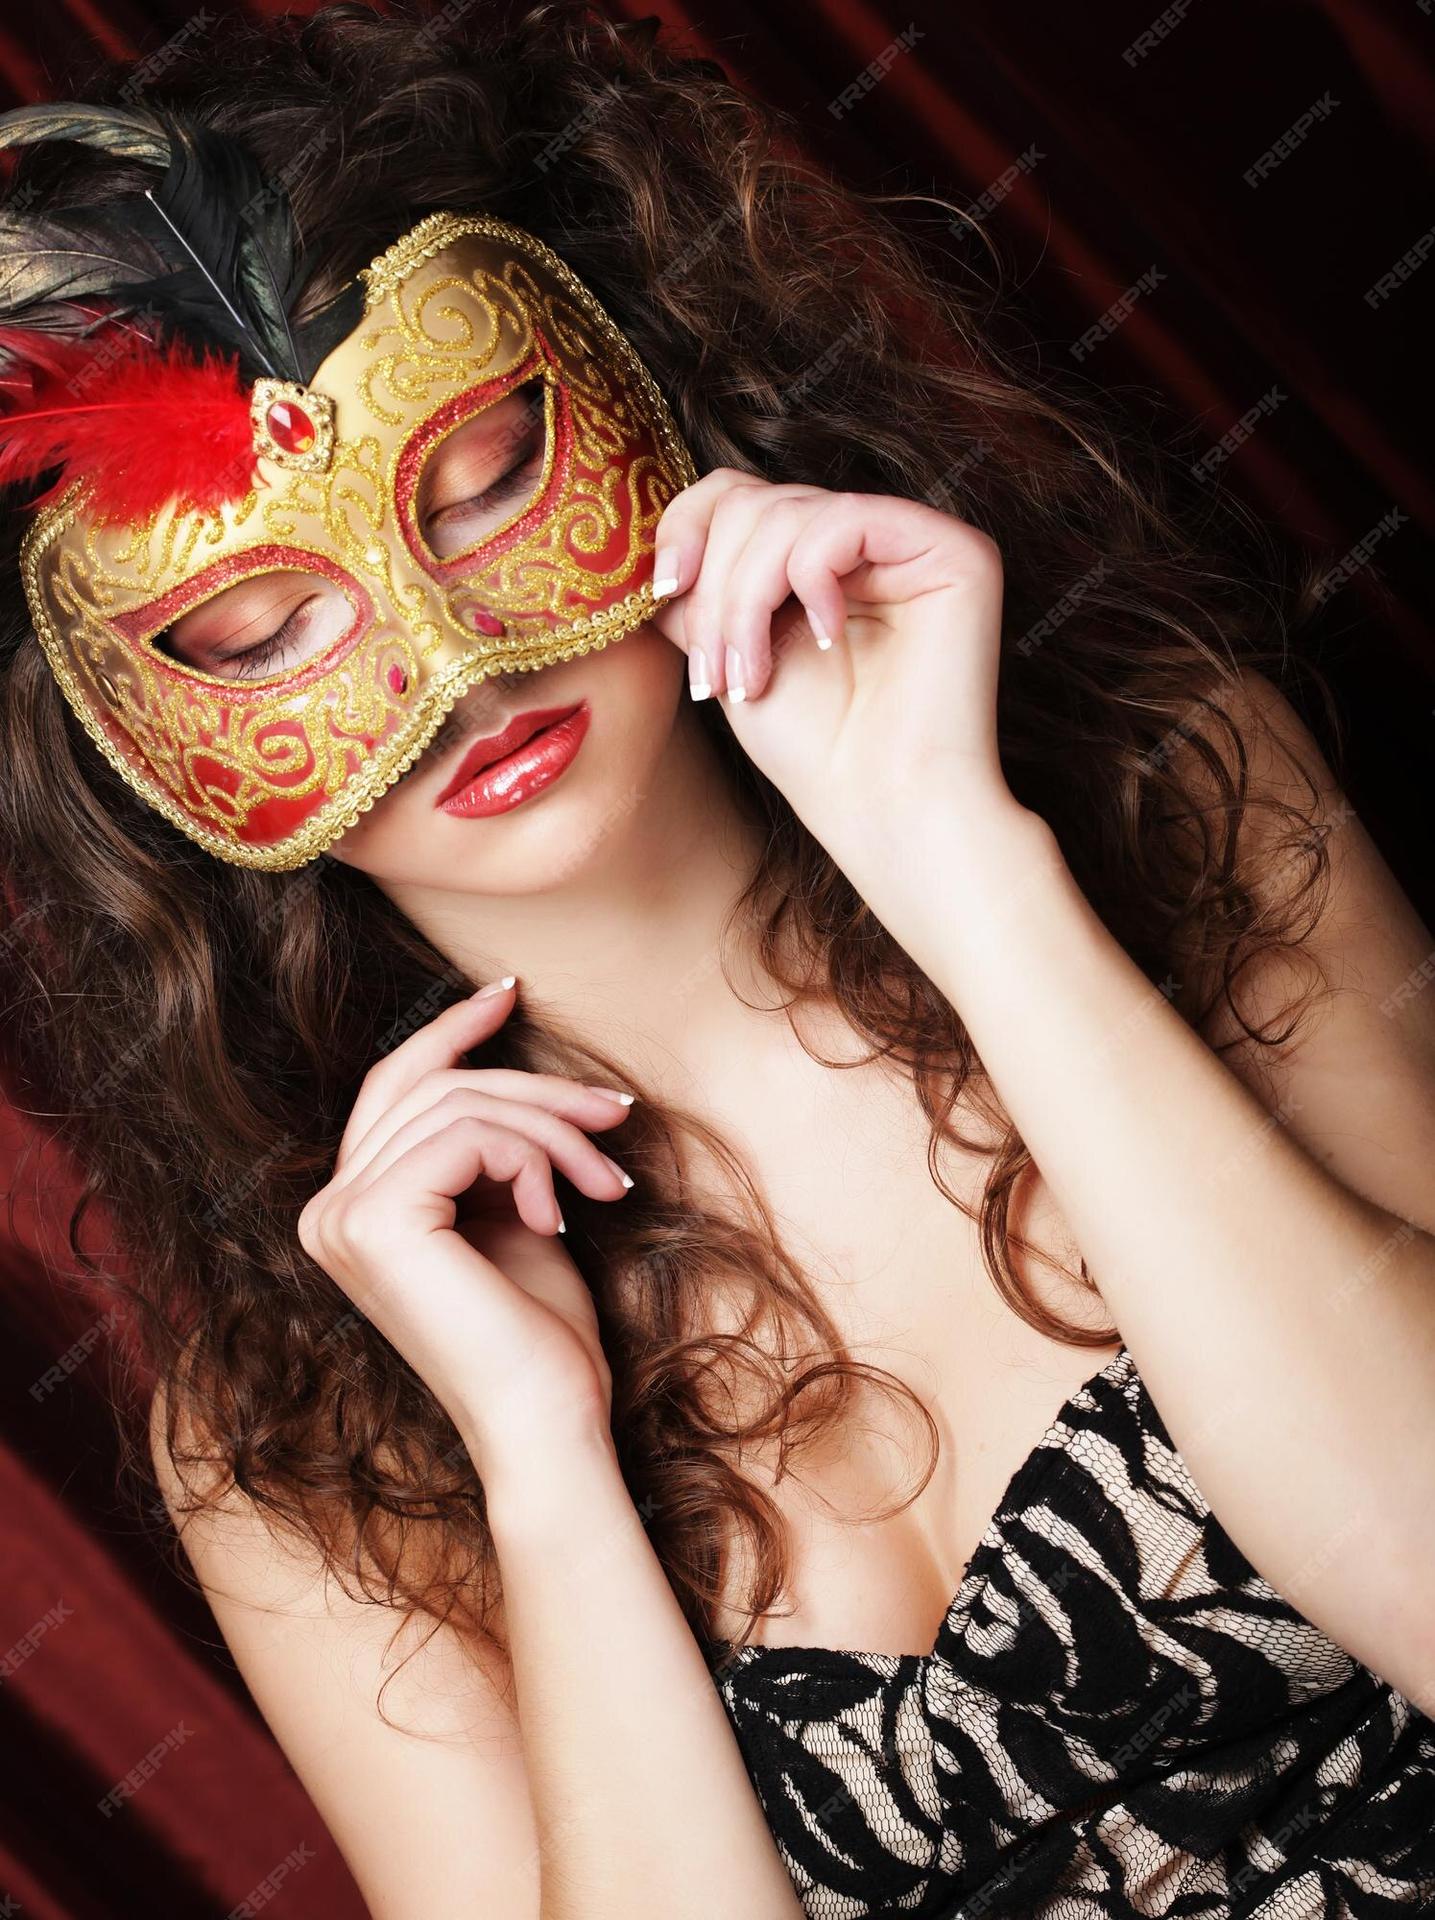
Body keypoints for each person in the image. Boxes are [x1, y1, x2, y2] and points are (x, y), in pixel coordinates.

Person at [1, 5, 1433, 1916]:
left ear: (647, 388)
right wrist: (541, 1461)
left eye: (487, 476)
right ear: (114, 744)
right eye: (260, 630)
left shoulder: (1181, 800)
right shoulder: (298, 1412)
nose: (458, 658)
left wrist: (970, 877)